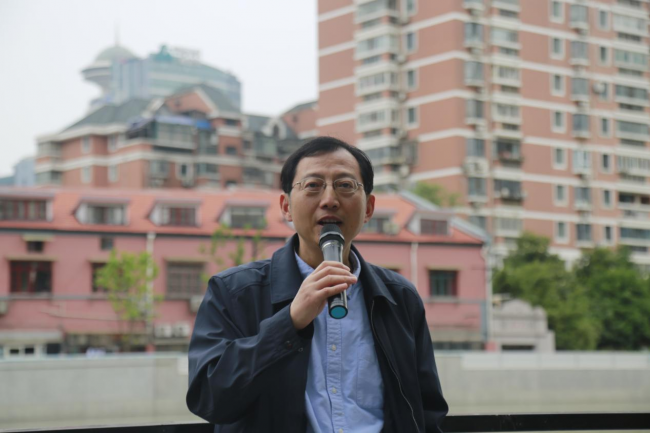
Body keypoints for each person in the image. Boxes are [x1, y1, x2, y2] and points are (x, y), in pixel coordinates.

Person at [186, 136, 448, 432]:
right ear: (286, 206)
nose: (329, 200)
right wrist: (289, 323)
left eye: (345, 185)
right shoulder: (233, 292)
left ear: (369, 208)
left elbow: (428, 410)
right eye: (313, 185)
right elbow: (208, 398)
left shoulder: (399, 297)